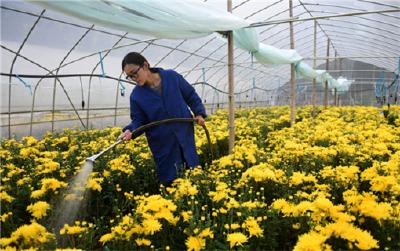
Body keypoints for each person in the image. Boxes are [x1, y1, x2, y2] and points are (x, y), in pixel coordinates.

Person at [121, 52, 206, 186]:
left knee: (193, 175)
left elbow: (190, 95)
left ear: (145, 65)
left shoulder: (172, 77)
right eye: (129, 76)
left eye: (134, 73)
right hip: (163, 145)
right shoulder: (136, 96)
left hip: (184, 136)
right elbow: (138, 121)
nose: (134, 78)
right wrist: (131, 130)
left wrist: (199, 113)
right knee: (172, 182)